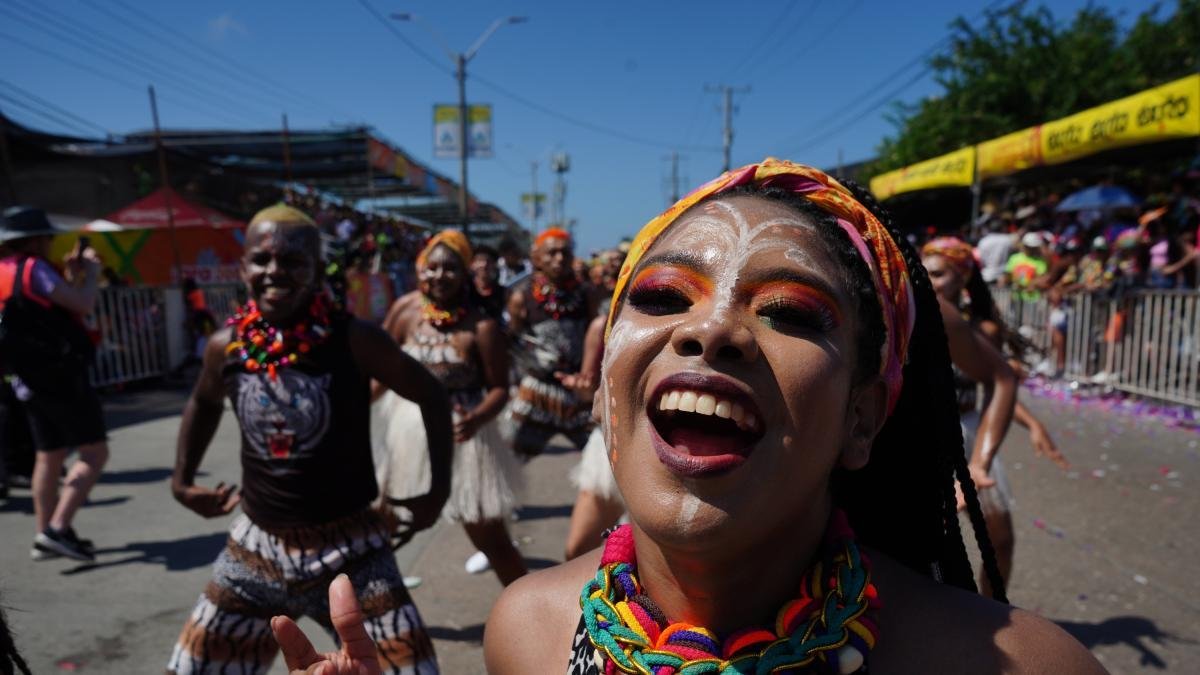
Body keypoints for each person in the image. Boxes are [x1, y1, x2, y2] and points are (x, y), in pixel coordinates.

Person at [478, 160, 1101, 672]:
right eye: (663, 296)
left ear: (861, 419)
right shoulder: (530, 634)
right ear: (602, 389)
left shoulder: (1016, 666)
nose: (710, 328)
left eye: (790, 311)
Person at [166, 205, 452, 675]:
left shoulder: (354, 339)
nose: (274, 271)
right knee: (190, 668)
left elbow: (432, 395)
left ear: (318, 271)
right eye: (261, 260)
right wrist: (182, 480)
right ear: (244, 268)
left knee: (412, 670)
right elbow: (203, 402)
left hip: (352, 549)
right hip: (256, 546)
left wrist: (438, 491)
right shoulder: (226, 346)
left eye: (292, 261)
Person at [373, 230, 527, 585]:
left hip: (466, 439)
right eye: (432, 267)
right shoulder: (404, 311)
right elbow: (380, 368)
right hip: (408, 436)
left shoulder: (483, 327)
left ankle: (527, 605)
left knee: (490, 538)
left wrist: (477, 418)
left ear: (465, 274)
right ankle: (376, 601)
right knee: (384, 526)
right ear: (420, 269)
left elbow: (500, 388)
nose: (439, 275)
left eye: (450, 268)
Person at [923, 237, 1070, 595]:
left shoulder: (982, 329)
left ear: (963, 276)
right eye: (925, 273)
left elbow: (995, 385)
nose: (930, 282)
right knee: (929, 546)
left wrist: (1031, 424)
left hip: (971, 435)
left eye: (939, 274)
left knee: (999, 541)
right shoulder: (916, 317)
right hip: (928, 437)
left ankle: (990, 610)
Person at [0, 206, 108, 562]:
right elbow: (83, 303)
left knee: (49, 456)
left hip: (26, 379)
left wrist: (72, 276)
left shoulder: (4, 270)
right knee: (94, 452)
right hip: (60, 377)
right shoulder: (35, 268)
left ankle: (43, 534)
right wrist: (92, 275)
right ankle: (57, 529)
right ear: (36, 240)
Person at [506, 228, 597, 458]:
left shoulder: (586, 295)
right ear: (536, 258)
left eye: (565, 253)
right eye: (552, 253)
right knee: (510, 459)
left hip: (578, 392)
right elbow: (513, 343)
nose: (559, 258)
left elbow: (598, 338)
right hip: (536, 392)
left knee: (604, 459)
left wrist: (589, 379)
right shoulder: (521, 298)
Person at [1003, 231, 1048, 301]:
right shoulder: (1014, 258)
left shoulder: (1041, 262)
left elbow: (1042, 279)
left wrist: (1032, 285)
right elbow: (1007, 276)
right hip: (1016, 298)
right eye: (1029, 247)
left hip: (1032, 299)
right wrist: (1013, 283)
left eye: (1033, 247)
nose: (1031, 249)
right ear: (1024, 246)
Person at [468, 244, 506, 323]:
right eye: (480, 260)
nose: (484, 264)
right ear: (472, 264)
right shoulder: (465, 290)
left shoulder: (503, 292)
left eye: (489, 261)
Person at [975, 218, 1012, 284]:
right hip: (1002, 276)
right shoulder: (1007, 240)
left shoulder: (983, 241)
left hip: (986, 275)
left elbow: (980, 259)